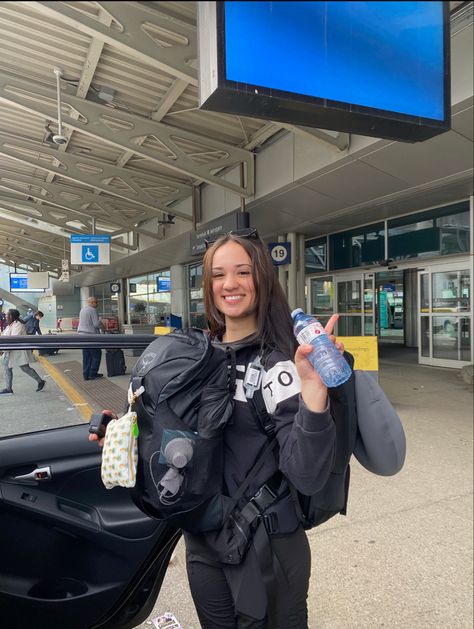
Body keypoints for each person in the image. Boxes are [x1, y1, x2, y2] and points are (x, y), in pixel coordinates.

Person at [91, 229, 345, 628]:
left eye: (243, 272)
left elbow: (307, 475)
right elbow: (177, 433)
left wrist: (313, 392)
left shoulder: (281, 364)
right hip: (204, 537)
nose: (230, 284)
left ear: (261, 278)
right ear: (207, 287)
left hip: (266, 543)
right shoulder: (196, 355)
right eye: (217, 275)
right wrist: (124, 432)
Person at [0, 308, 46, 395]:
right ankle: (9, 388)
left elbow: (13, 339)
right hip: (12, 351)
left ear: (12, 316)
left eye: (7, 314)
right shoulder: (12, 324)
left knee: (24, 368)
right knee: (9, 367)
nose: (6, 316)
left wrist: (3, 349)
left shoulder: (17, 324)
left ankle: (40, 381)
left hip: (18, 351)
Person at [78, 297, 105, 381]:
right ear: (92, 302)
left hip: (82, 335)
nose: (97, 304)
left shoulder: (83, 310)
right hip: (91, 336)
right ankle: (92, 373)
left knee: (86, 356)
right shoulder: (93, 310)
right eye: (96, 302)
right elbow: (96, 324)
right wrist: (102, 323)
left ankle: (86, 374)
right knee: (96, 354)